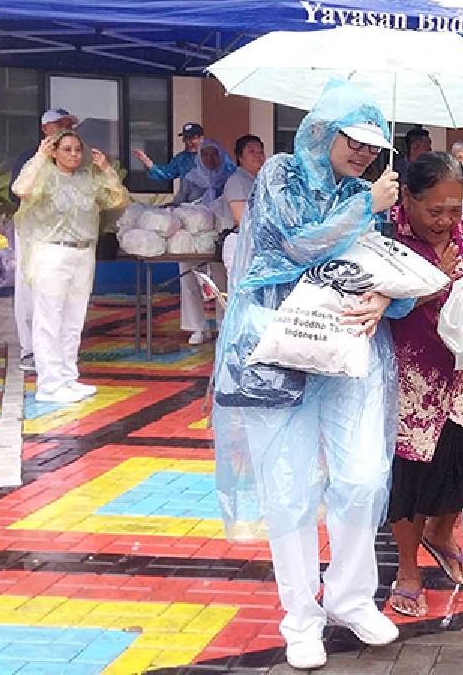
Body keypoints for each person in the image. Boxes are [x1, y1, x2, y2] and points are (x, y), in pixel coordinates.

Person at [211, 80, 404, 670]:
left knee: (365, 476)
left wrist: (384, 300)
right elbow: (297, 246)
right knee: (288, 485)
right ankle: (300, 616)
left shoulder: (368, 191)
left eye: (375, 144)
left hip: (350, 348)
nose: (365, 153)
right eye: (356, 139)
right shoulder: (280, 174)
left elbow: (384, 265)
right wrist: (364, 206)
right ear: (326, 128)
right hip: (279, 344)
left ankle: (350, 597)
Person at [385, 151, 463, 618]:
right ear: (407, 199)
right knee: (412, 475)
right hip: (408, 373)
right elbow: (384, 303)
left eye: (454, 209)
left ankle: (440, 533)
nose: (446, 221)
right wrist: (434, 277)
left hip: (458, 371)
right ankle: (407, 570)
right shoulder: (387, 236)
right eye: (434, 210)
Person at [12, 130, 128, 404]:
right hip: (52, 251)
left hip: (83, 252)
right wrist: (39, 158)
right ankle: (49, 383)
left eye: (77, 149)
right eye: (67, 149)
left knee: (74, 318)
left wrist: (106, 169)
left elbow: (117, 200)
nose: (74, 155)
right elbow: (21, 189)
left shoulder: (87, 179)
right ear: (54, 151)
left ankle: (67, 376)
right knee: (49, 318)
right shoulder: (44, 175)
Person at [11, 108, 79, 374]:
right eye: (60, 124)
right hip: (33, 232)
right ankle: (29, 350)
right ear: (46, 129)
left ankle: (57, 348)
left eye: (69, 125)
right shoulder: (30, 158)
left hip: (62, 235)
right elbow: (16, 192)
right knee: (29, 289)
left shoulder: (73, 158)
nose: (66, 128)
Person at [172, 139, 235, 345]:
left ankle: (222, 323)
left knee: (221, 281)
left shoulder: (230, 177)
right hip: (192, 236)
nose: (210, 159)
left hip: (218, 237)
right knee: (188, 279)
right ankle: (196, 327)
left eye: (214, 154)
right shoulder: (191, 177)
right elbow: (180, 201)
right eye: (205, 154)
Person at [221, 134, 266, 284]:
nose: (257, 156)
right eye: (251, 151)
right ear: (240, 157)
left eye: (260, 152)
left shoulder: (260, 181)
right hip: (241, 244)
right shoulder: (236, 181)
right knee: (242, 295)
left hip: (257, 243)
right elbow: (241, 218)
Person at [132, 121, 208, 182]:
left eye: (192, 138)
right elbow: (166, 173)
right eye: (186, 138)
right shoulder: (181, 158)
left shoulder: (211, 155)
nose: (188, 142)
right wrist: (147, 161)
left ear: (201, 138)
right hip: (189, 198)